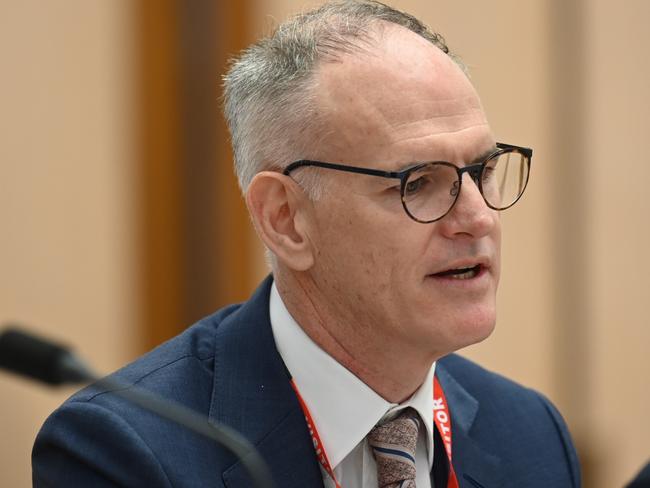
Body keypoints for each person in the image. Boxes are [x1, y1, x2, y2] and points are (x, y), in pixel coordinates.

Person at [32, 1, 581, 487]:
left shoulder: (530, 434)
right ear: (286, 219)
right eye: (418, 183)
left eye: (482, 171)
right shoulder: (126, 452)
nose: (478, 218)